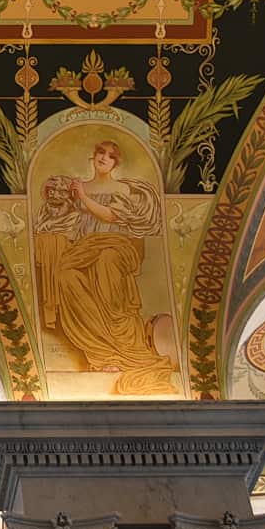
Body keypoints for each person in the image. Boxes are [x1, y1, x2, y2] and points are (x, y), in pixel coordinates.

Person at [34, 139, 177, 395]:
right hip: (84, 250)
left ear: (115, 163)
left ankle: (123, 346)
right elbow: (67, 218)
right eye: (100, 152)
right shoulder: (79, 188)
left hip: (117, 248)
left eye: (110, 156)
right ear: (94, 156)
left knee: (106, 260)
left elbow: (110, 216)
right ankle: (102, 351)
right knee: (65, 276)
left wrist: (83, 196)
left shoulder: (121, 189)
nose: (104, 158)